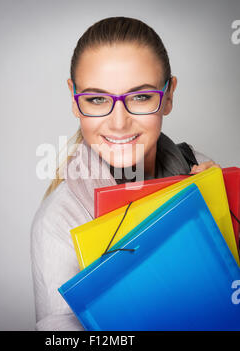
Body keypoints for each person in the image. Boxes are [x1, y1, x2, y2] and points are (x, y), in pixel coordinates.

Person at [30, 16, 220, 331]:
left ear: (168, 95)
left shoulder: (203, 169)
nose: (119, 123)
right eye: (96, 99)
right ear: (75, 100)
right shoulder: (58, 221)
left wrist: (225, 220)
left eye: (141, 97)